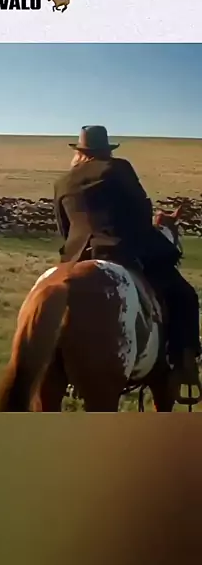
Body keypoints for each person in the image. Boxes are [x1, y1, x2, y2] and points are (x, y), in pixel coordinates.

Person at [53, 125, 201, 386]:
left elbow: (63, 227)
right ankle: (184, 364)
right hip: (120, 250)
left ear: (80, 151)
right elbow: (141, 210)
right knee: (185, 296)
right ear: (106, 149)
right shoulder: (118, 168)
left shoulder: (63, 181)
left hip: (76, 257)